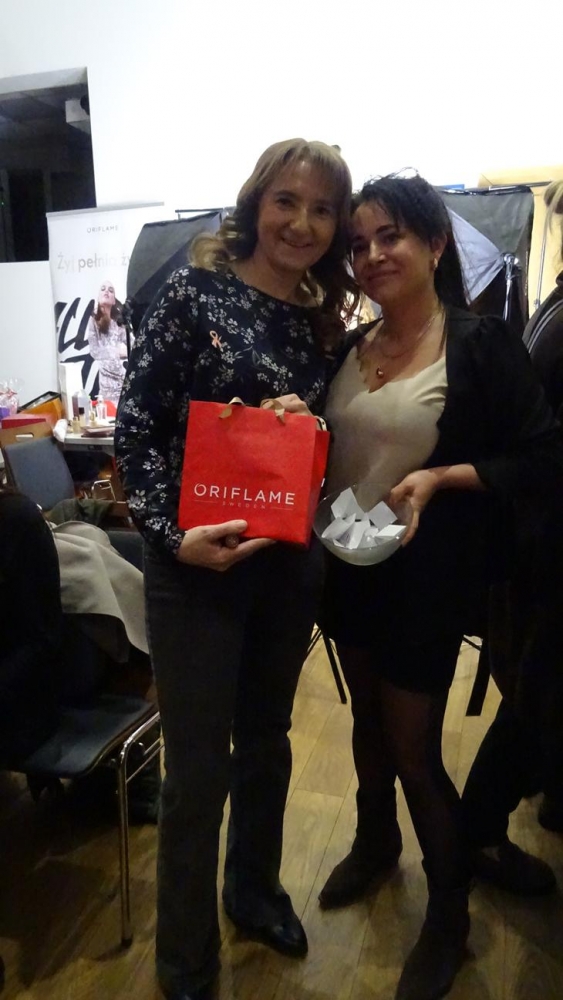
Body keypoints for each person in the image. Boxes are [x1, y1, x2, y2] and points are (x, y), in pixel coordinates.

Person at [114, 138, 356, 1000]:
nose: (301, 223)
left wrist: (304, 427)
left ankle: (252, 891)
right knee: (196, 771)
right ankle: (185, 958)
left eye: (322, 209)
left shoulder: (322, 323)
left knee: (265, 743)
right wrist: (170, 533)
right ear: (256, 203)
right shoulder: (192, 294)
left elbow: (322, 446)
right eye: (287, 200)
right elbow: (136, 430)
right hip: (196, 569)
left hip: (284, 566)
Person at [318, 174, 563, 1000]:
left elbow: (543, 455)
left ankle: (449, 919)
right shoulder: (350, 348)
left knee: (413, 750)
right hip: (345, 564)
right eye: (358, 244)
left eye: (390, 236)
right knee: (366, 723)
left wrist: (442, 477)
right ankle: (373, 840)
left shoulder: (478, 343)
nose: (372, 255)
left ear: (434, 244)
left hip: (424, 576)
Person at [461, 178, 563, 888]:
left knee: (539, 685)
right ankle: (476, 834)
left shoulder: (553, 302)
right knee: (539, 690)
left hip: (538, 533)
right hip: (547, 537)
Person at [87, 280, 129, 405]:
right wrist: (117, 352)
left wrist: (125, 351)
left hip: (121, 381)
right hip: (106, 385)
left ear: (114, 300)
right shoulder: (93, 320)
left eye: (111, 290)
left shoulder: (119, 323)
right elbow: (94, 351)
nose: (106, 291)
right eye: (103, 289)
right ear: (98, 296)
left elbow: (132, 344)